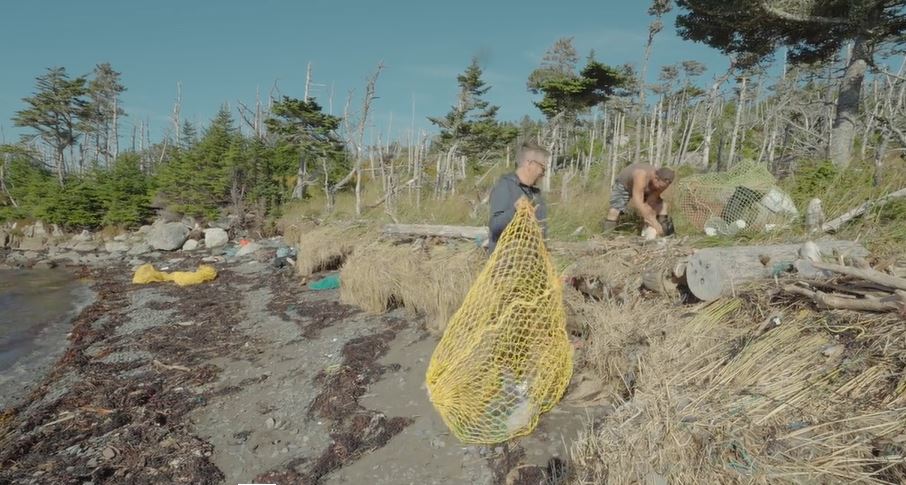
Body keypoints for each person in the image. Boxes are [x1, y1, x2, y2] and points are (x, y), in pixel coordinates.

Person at [487, 141, 550, 253]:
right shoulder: (505, 186)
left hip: (532, 264)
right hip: (506, 265)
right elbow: (495, 228)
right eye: (543, 168)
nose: (543, 173)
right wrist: (515, 211)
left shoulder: (536, 194)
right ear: (530, 164)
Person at [603, 163, 675, 236]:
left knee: (662, 206)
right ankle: (607, 236)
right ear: (656, 178)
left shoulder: (665, 181)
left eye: (663, 187)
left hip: (646, 188)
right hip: (625, 185)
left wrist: (650, 218)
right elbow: (638, 202)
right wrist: (655, 223)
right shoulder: (641, 174)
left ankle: (665, 235)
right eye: (660, 186)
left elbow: (650, 201)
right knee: (615, 210)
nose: (660, 189)